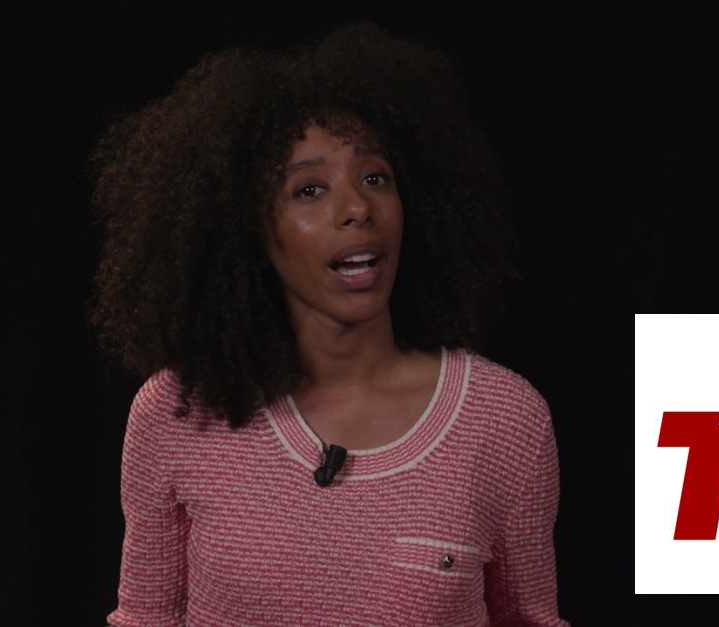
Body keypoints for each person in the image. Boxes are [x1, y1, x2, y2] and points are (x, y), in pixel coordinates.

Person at [87, 19, 569, 627]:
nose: (357, 208)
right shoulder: (175, 414)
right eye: (309, 190)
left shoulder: (504, 422)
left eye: (375, 178)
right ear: (249, 230)